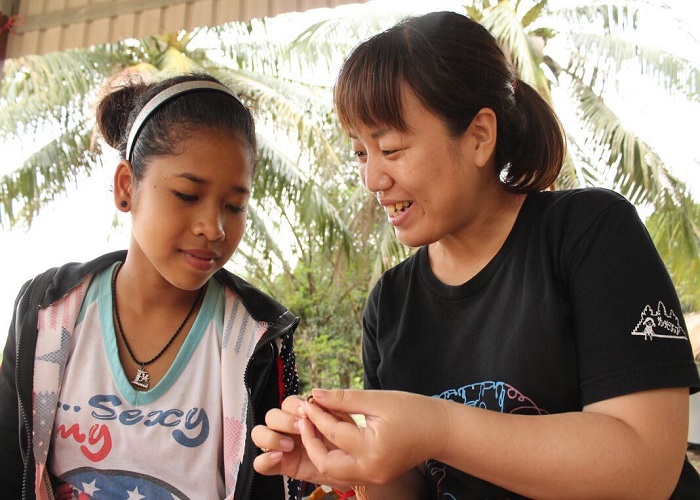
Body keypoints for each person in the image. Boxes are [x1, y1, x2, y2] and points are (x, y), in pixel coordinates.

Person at [251, 11, 700, 499]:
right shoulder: (391, 303)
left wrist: (437, 427)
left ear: (479, 137)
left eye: (392, 149)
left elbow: (646, 466)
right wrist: (349, 462)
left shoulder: (587, 232)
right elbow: (415, 489)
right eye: (361, 153)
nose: (372, 180)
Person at [0, 72, 305, 499]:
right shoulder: (47, 313)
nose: (213, 228)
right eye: (186, 194)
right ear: (127, 187)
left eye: (234, 206)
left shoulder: (254, 340)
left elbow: (276, 485)